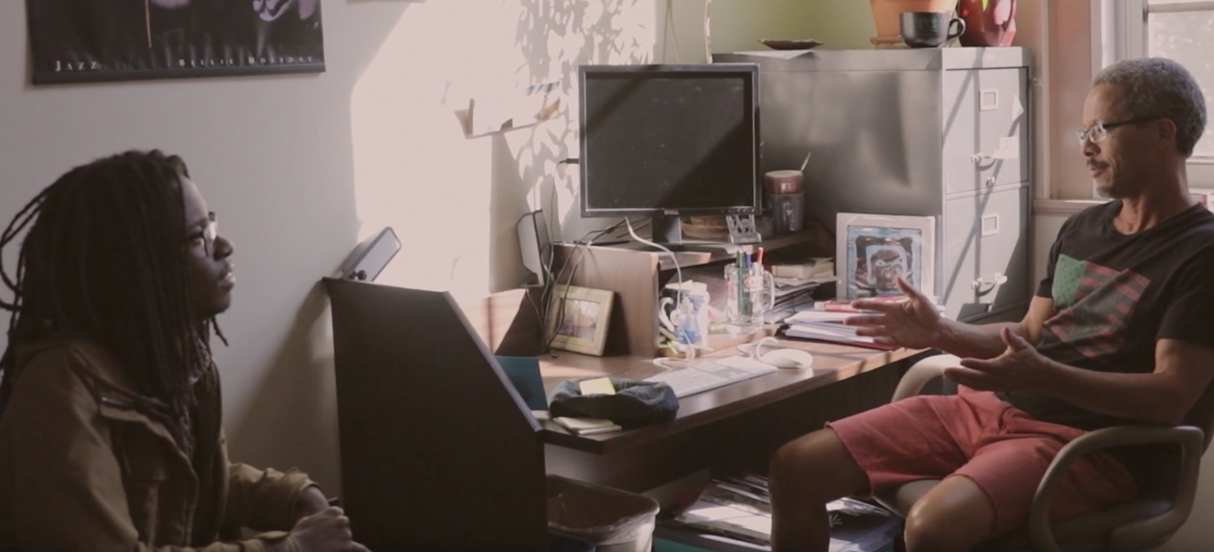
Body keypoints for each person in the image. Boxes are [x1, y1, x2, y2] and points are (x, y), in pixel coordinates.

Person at [768, 57, 1214, 552]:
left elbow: (1171, 397)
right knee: (795, 468)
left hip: (1085, 444)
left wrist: (1043, 376)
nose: (1086, 146)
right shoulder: (1082, 230)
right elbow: (1030, 334)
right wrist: (943, 332)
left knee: (932, 527)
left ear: (1163, 133)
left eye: (1102, 129)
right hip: (985, 411)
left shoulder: (1200, 254)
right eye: (1083, 130)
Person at [0, 150, 365, 551]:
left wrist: (290, 497)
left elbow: (197, 485)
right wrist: (294, 547)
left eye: (211, 224)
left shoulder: (173, 359)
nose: (224, 245)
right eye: (198, 237)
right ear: (136, 265)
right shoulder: (58, 389)